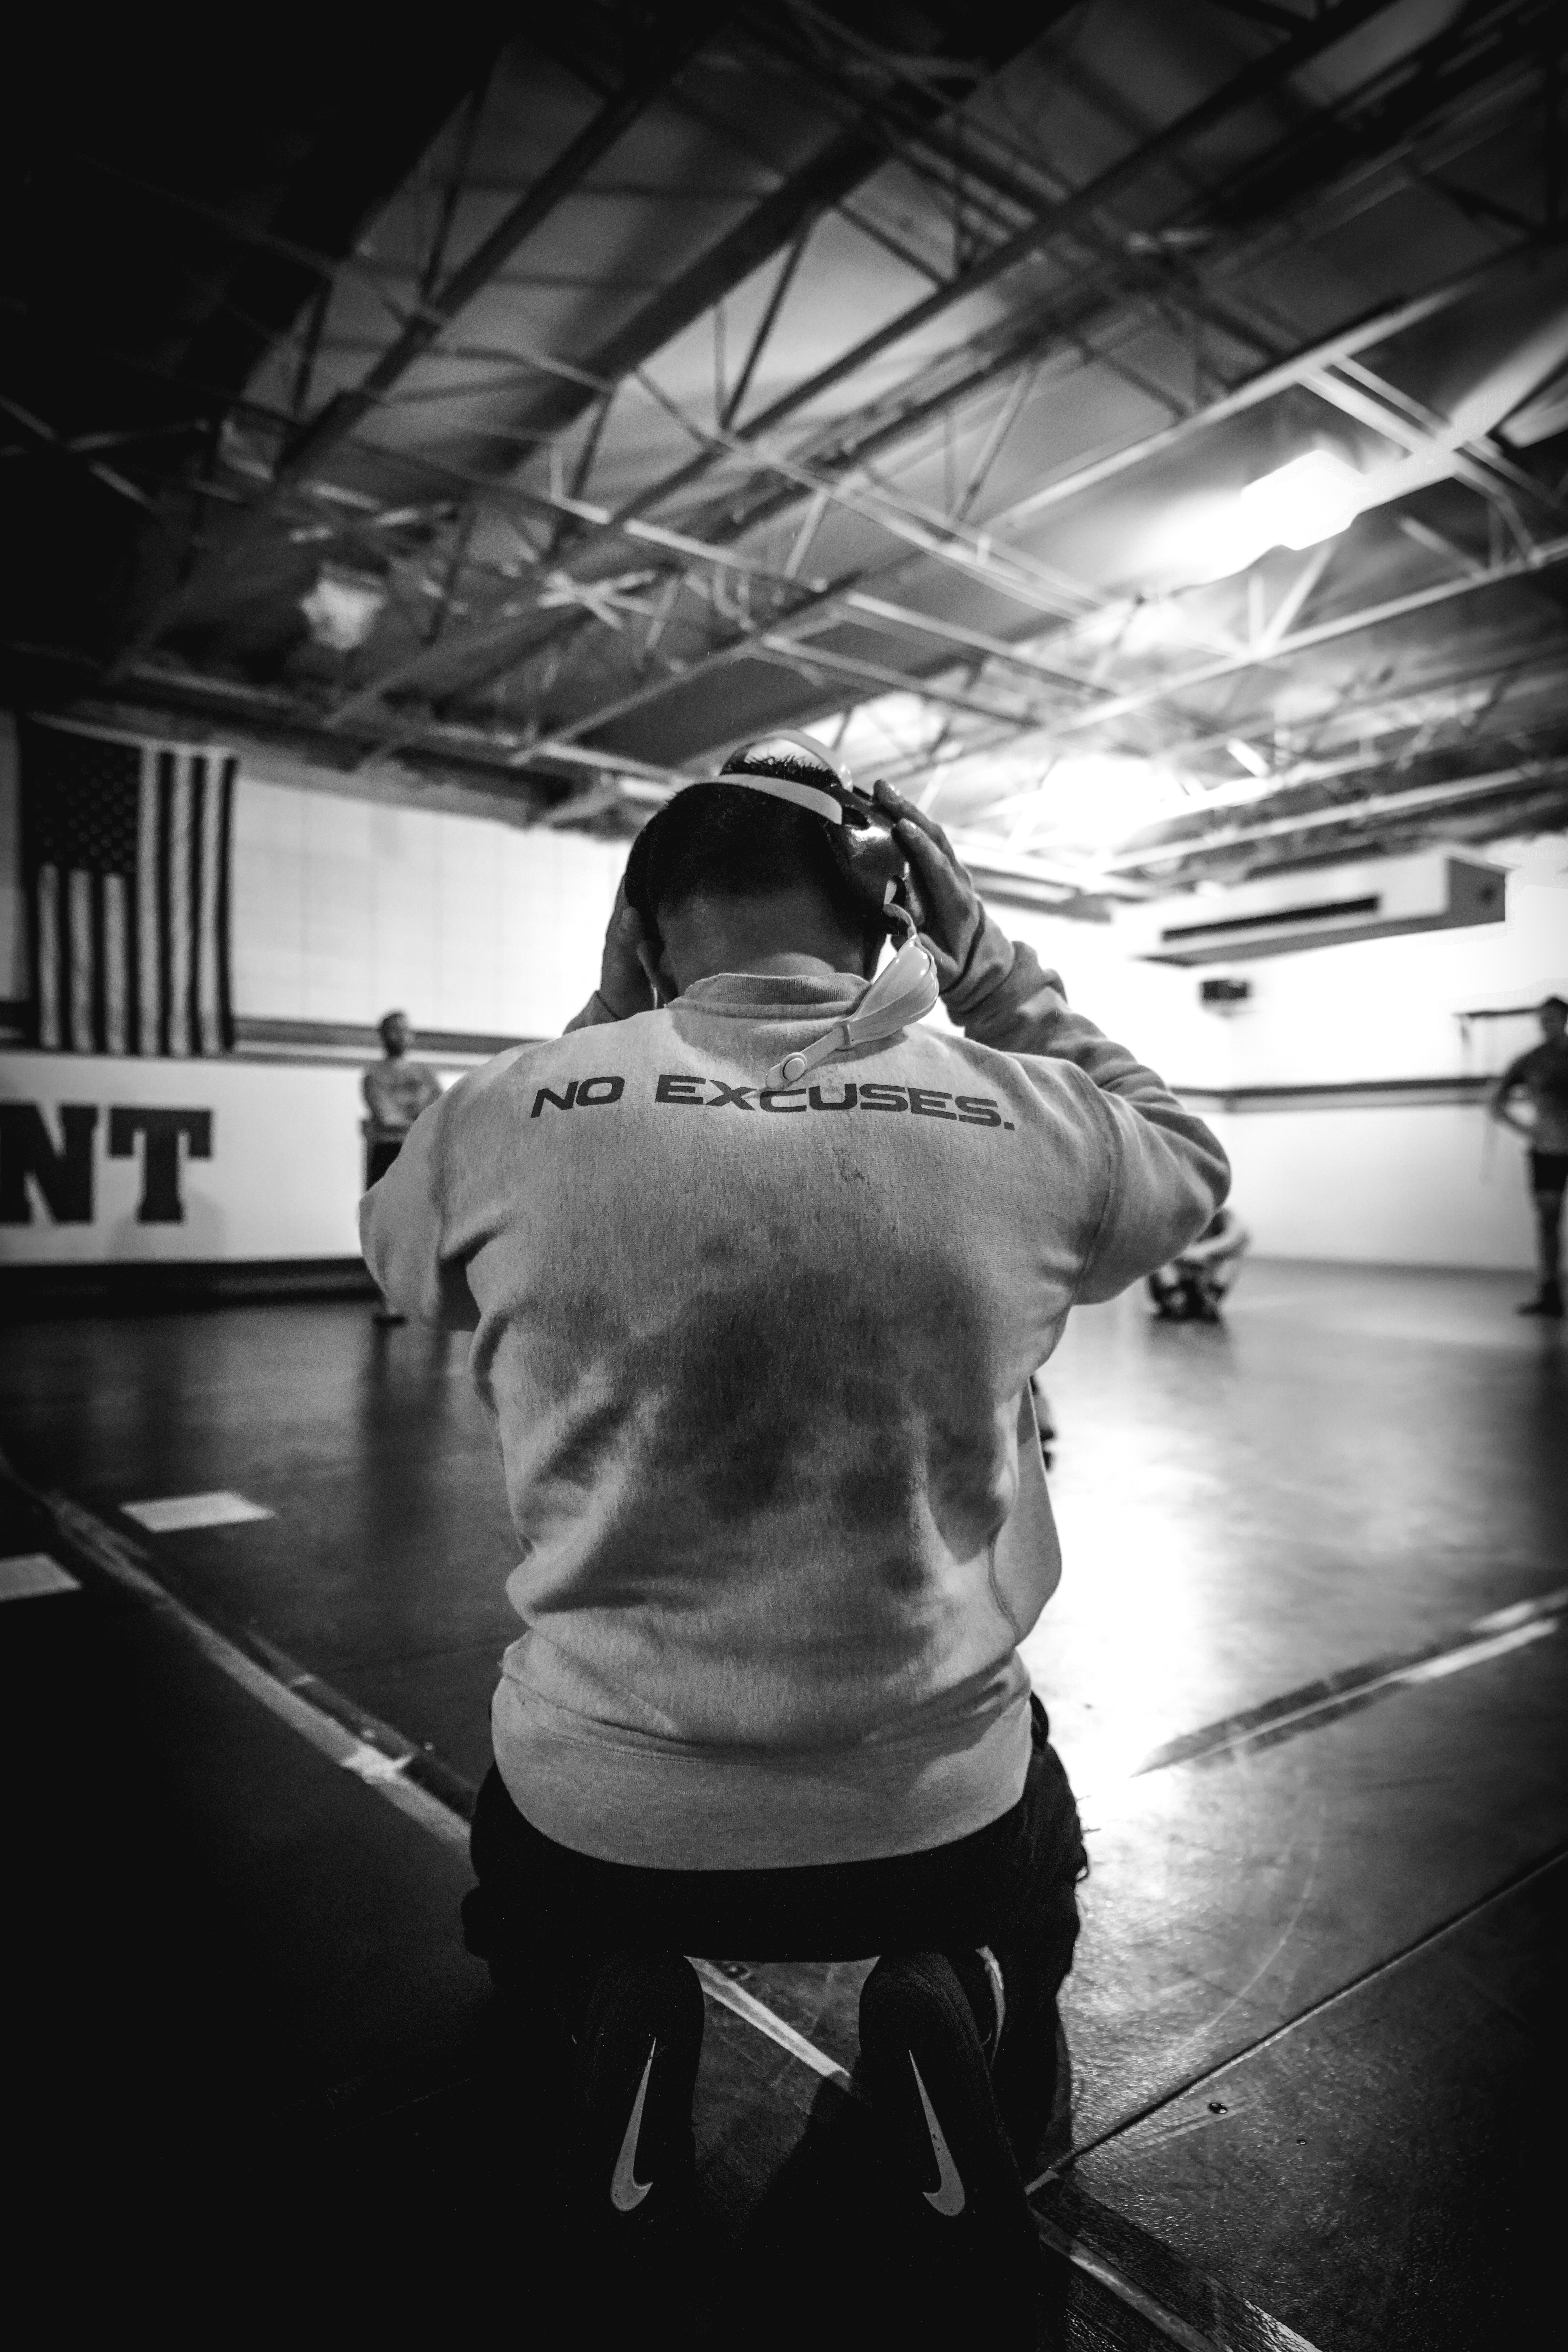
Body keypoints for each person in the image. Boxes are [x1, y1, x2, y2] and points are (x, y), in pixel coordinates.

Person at [359, 738, 1228, 2330]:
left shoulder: (495, 1112)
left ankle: (596, 1996)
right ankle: (955, 1981)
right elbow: (1192, 1164)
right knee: (1031, 1871)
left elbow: (403, 1257)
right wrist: (990, 964)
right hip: (925, 1803)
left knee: (524, 1894)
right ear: (894, 913)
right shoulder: (1029, 1117)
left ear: (640, 927)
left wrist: (599, 1036)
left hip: (601, 1803)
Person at [361, 1011, 443, 1325]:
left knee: (430, 1226)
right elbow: (387, 1117)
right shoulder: (374, 1075)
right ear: (382, 1035)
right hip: (388, 1156)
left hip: (421, 1155)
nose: (400, 1036)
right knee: (385, 1227)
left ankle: (434, 1297)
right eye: (393, 1030)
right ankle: (388, 1299)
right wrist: (417, 1118)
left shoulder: (426, 1073)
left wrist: (416, 1121)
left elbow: (439, 1109)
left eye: (405, 1030)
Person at [1490, 995, 1568, 1319]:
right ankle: (1550, 1291)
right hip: (1547, 1149)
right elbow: (1496, 1103)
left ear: (1564, 1020)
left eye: (1552, 1019)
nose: (1546, 1025)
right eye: (1542, 1019)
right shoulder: (1530, 1061)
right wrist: (1527, 1131)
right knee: (1549, 1220)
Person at [1147, 1203, 1250, 1322]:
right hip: (1175, 1278)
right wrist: (1186, 1254)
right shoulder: (1170, 1213)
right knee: (1155, 1252)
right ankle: (1175, 1296)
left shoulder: (1224, 1215)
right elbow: (1151, 1237)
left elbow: (1241, 1235)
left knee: (1234, 1254)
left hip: (1204, 1278)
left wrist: (1203, 1251)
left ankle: (1211, 1297)